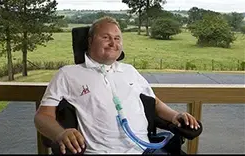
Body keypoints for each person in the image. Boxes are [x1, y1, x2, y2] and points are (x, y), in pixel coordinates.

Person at [34, 16, 200, 154]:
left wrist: (174, 116)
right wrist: (61, 133)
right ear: (90, 41)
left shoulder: (130, 71)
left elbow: (153, 102)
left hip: (146, 149)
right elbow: (42, 117)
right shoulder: (68, 74)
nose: (113, 43)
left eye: (117, 38)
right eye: (105, 37)